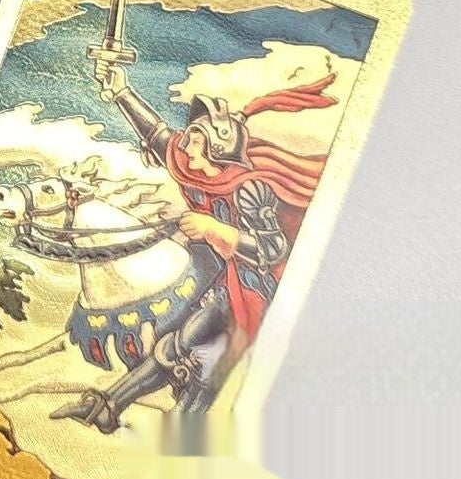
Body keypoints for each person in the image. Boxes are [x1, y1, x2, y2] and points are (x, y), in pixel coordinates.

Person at [100, 76, 339, 353]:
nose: (185, 148)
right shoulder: (197, 175)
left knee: (193, 347)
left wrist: (213, 229)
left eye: (194, 142)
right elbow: (157, 136)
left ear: (216, 148)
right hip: (221, 272)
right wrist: (121, 91)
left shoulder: (248, 188)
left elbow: (273, 248)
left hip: (257, 286)